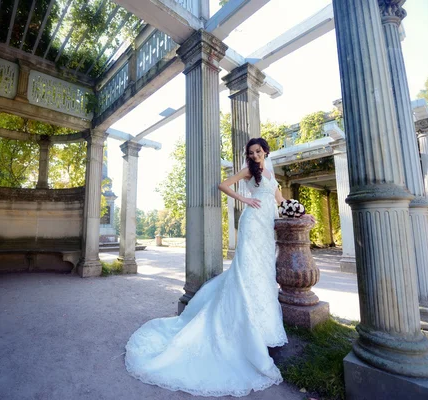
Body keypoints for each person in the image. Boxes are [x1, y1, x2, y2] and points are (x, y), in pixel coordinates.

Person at [125, 137, 314, 397]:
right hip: (251, 223)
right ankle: (241, 325)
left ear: (265, 151)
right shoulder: (250, 171)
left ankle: (262, 325)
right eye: (252, 152)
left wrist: (301, 213)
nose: (256, 155)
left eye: (259, 151)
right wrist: (244, 200)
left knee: (262, 272)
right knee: (246, 270)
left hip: (265, 227)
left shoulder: (270, 173)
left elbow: (281, 201)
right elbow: (223, 185)